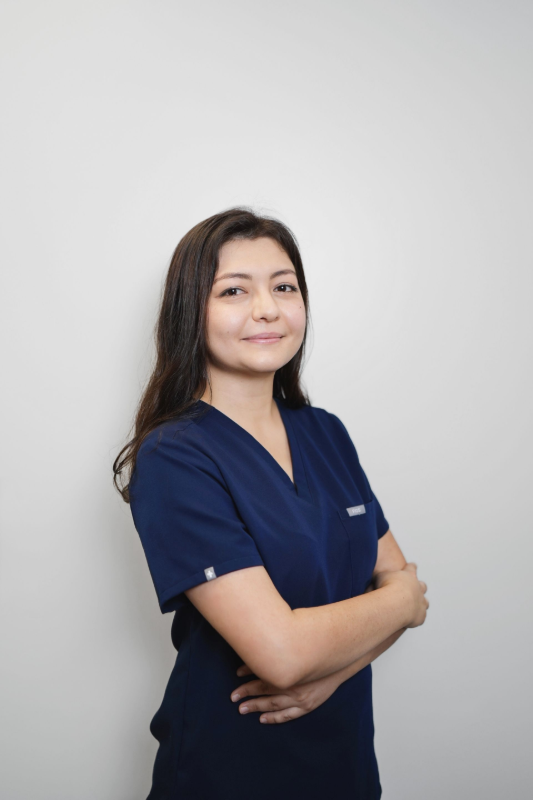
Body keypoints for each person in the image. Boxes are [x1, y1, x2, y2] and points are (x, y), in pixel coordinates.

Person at [113, 207, 429, 800]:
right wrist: (403, 601)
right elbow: (282, 653)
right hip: (229, 769)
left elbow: (400, 584)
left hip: (345, 767)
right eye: (234, 290)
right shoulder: (176, 456)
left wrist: (327, 677)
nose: (267, 308)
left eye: (284, 286)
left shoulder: (325, 432)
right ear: (191, 311)